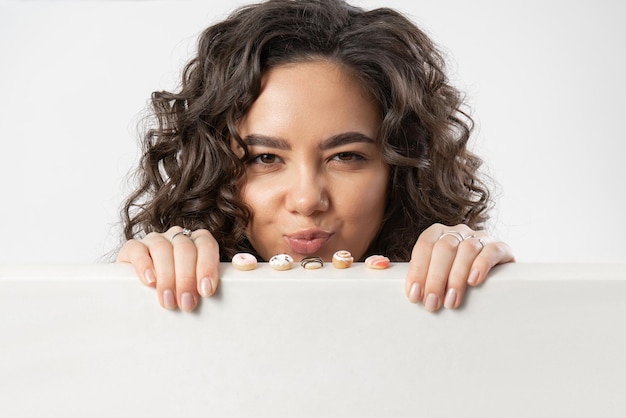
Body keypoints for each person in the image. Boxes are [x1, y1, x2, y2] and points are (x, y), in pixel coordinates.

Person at [116, 0, 515, 313]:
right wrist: (126, 302)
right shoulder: (165, 295)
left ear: (401, 167)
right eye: (265, 158)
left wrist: (497, 294)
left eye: (345, 156)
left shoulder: (462, 298)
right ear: (214, 169)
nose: (307, 200)